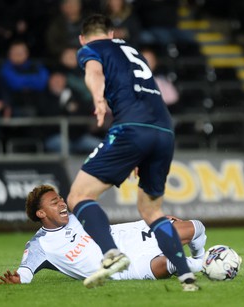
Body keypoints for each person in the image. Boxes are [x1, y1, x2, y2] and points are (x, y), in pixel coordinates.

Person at [66, 14, 199, 291]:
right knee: (151, 209)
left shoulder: (91, 49)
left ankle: (112, 255)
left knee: (78, 195)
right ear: (112, 33)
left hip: (132, 128)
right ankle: (186, 276)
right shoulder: (132, 51)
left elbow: (93, 72)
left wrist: (98, 99)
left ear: (82, 38)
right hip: (164, 131)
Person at [0, 185, 206, 284]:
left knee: (196, 227)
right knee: (169, 264)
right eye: (55, 202)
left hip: (132, 238)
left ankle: (201, 257)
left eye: (61, 199)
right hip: (122, 269)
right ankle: (207, 264)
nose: (62, 203)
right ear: (41, 213)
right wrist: (17, 279)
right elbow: (25, 272)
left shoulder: (78, 214)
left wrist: (151, 222)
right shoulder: (39, 245)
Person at [1, 40, 49, 117]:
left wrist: (22, 80)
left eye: (21, 52)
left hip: (37, 107)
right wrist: (32, 80)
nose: (18, 55)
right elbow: (16, 83)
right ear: (9, 54)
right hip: (15, 109)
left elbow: (42, 83)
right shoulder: (5, 68)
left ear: (27, 53)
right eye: (15, 52)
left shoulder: (36, 66)